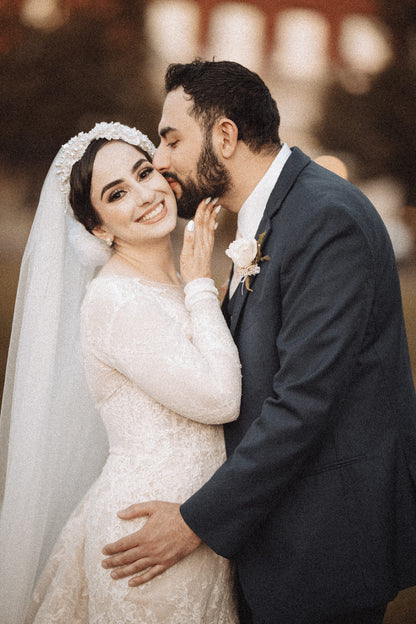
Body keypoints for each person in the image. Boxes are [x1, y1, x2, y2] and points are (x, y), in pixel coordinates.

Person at [100, 60, 416, 624]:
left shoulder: (325, 218)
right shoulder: (272, 215)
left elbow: (302, 404)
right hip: (281, 536)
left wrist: (194, 521)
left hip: (323, 547)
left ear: (225, 135)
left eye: (172, 139)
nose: (162, 160)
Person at [0, 121, 242, 623]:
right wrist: (201, 288)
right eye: (117, 193)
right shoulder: (114, 301)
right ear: (99, 228)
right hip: (148, 540)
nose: (145, 194)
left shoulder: (170, 284)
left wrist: (195, 289)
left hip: (197, 526)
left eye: (144, 171)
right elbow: (221, 398)